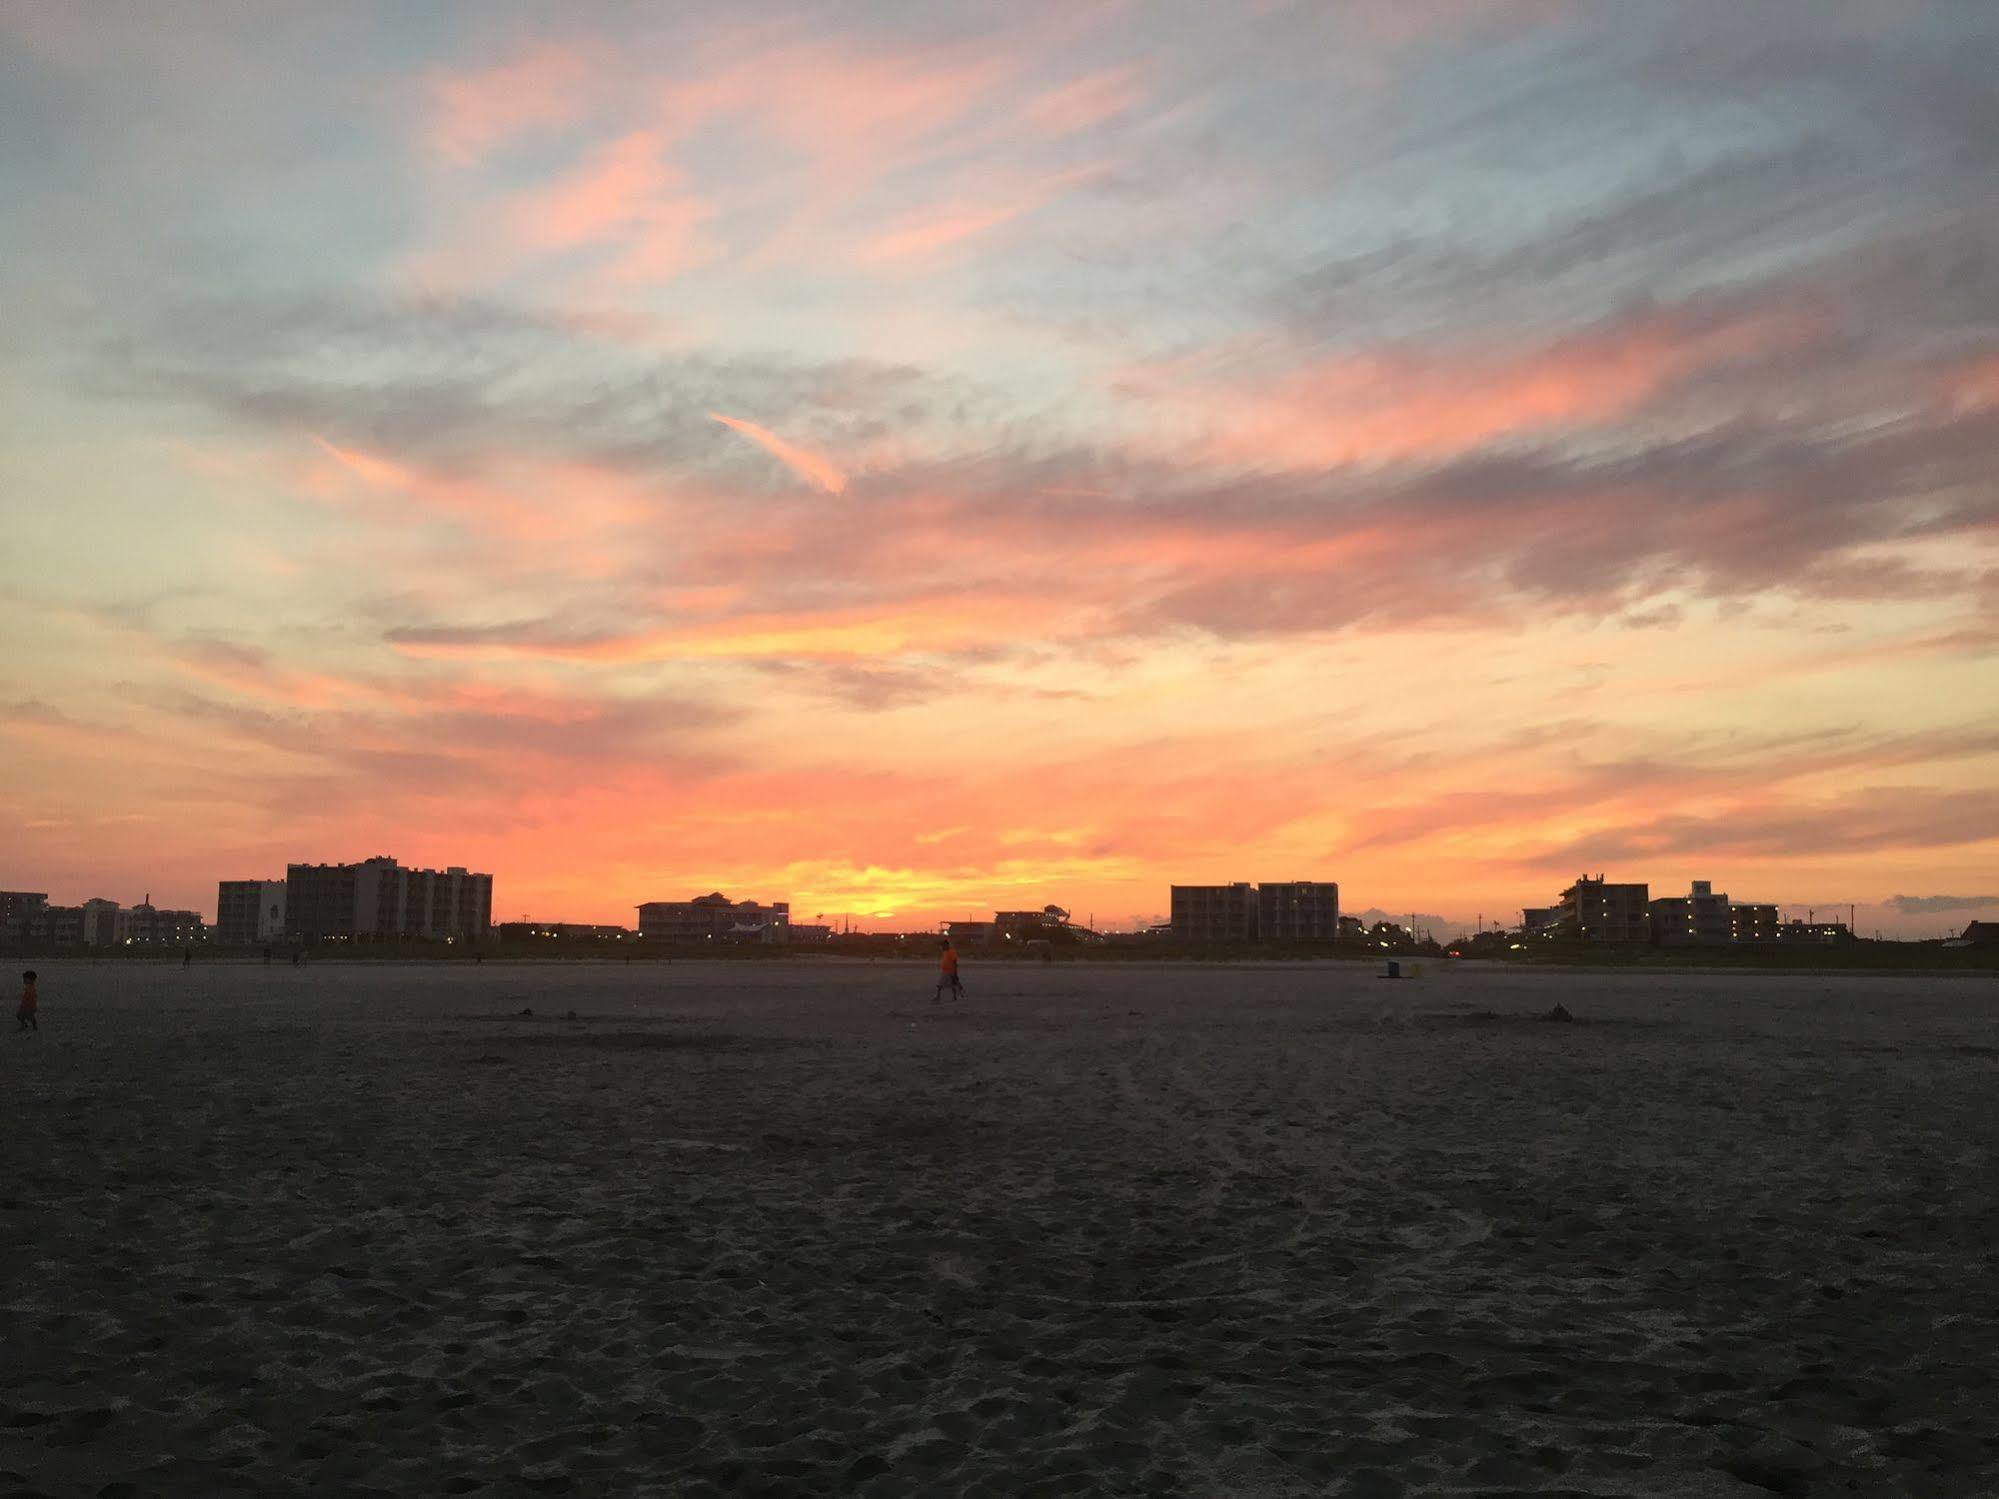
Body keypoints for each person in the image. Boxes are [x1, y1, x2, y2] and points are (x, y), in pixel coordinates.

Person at [934, 939, 963, 1004]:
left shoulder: (951, 951)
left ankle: (938, 997)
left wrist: (955, 972)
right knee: (953, 984)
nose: (941, 947)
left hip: (949, 971)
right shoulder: (945, 952)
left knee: (940, 984)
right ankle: (955, 996)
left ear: (946, 945)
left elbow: (955, 962)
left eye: (942, 946)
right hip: (946, 971)